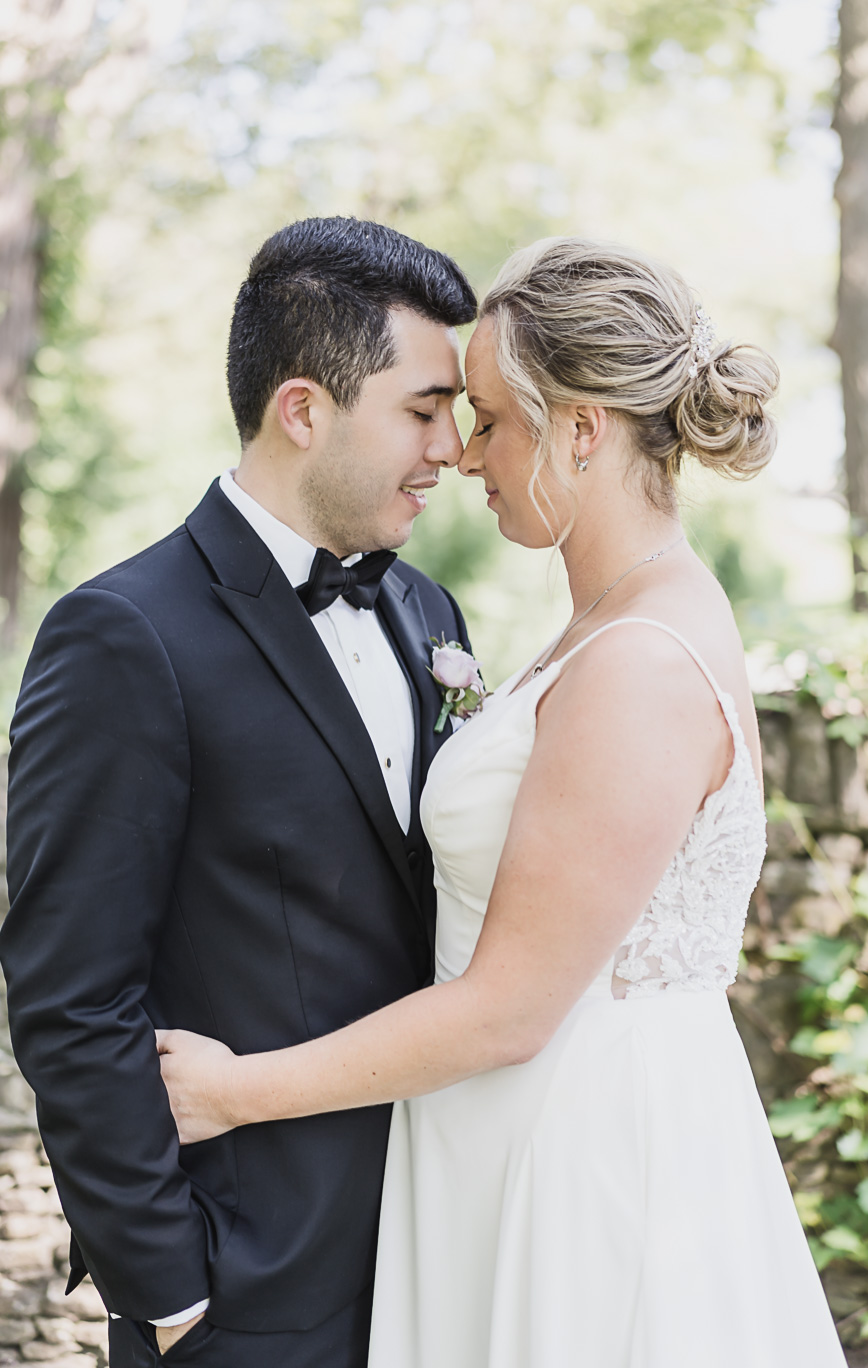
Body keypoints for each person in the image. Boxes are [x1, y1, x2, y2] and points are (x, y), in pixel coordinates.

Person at [159, 237, 848, 1367]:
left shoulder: (636, 661)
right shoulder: (611, 617)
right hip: (511, 1137)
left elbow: (509, 1009)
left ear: (580, 429)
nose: (464, 455)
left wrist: (239, 1091)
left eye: (488, 419)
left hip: (580, 1169)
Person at [0, 216, 477, 1368]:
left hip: (445, 1241)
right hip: (248, 1287)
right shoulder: (123, 636)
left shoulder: (428, 616)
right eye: (422, 408)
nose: (453, 449)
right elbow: (69, 993)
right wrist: (164, 1282)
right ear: (304, 409)